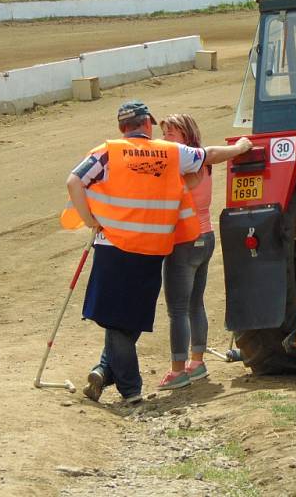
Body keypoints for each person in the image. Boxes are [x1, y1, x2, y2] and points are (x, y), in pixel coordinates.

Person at [66, 100, 251, 405]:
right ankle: (105, 369)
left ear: (121, 127)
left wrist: (90, 220)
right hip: (153, 248)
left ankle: (130, 389)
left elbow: (74, 180)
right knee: (130, 318)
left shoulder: (107, 151)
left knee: (116, 320)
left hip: (114, 246)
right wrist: (241, 147)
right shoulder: (168, 152)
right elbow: (210, 155)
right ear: (147, 124)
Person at [157, 114, 216, 390]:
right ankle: (197, 361)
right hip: (205, 235)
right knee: (196, 303)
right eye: (164, 132)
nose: (166, 137)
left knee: (177, 309)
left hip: (184, 239)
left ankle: (178, 370)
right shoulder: (204, 163)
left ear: (186, 136)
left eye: (172, 133)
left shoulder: (180, 166)